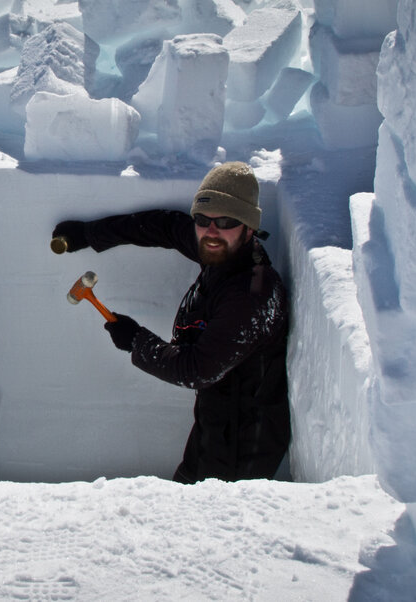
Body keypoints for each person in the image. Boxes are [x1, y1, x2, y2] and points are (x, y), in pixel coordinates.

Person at [52, 161, 292, 484]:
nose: (211, 231)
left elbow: (197, 369)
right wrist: (89, 234)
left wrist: (136, 340)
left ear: (249, 228)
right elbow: (163, 228)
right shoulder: (221, 252)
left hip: (242, 457)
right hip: (215, 428)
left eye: (225, 221)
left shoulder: (253, 293)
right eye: (203, 220)